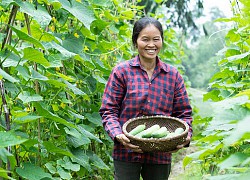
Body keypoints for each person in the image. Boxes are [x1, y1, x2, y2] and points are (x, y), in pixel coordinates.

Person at [99, 16, 193, 180]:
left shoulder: (172, 75)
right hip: (126, 151)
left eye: (156, 39)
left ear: (162, 41)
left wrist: (185, 137)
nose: (151, 44)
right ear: (136, 42)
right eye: (145, 39)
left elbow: (184, 113)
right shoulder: (122, 72)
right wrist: (117, 134)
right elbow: (109, 110)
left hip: (161, 153)